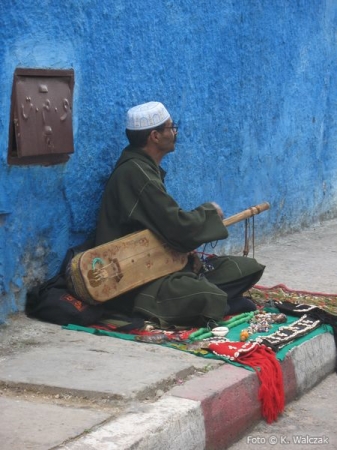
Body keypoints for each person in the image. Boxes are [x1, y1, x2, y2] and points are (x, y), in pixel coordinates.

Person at [95, 101, 265, 327]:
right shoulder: (134, 174)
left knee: (248, 268)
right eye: (170, 127)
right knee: (206, 295)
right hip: (137, 279)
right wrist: (209, 213)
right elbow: (176, 226)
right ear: (155, 136)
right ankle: (219, 306)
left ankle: (209, 301)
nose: (174, 132)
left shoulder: (144, 169)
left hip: (163, 264)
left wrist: (186, 255)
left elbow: (162, 229)